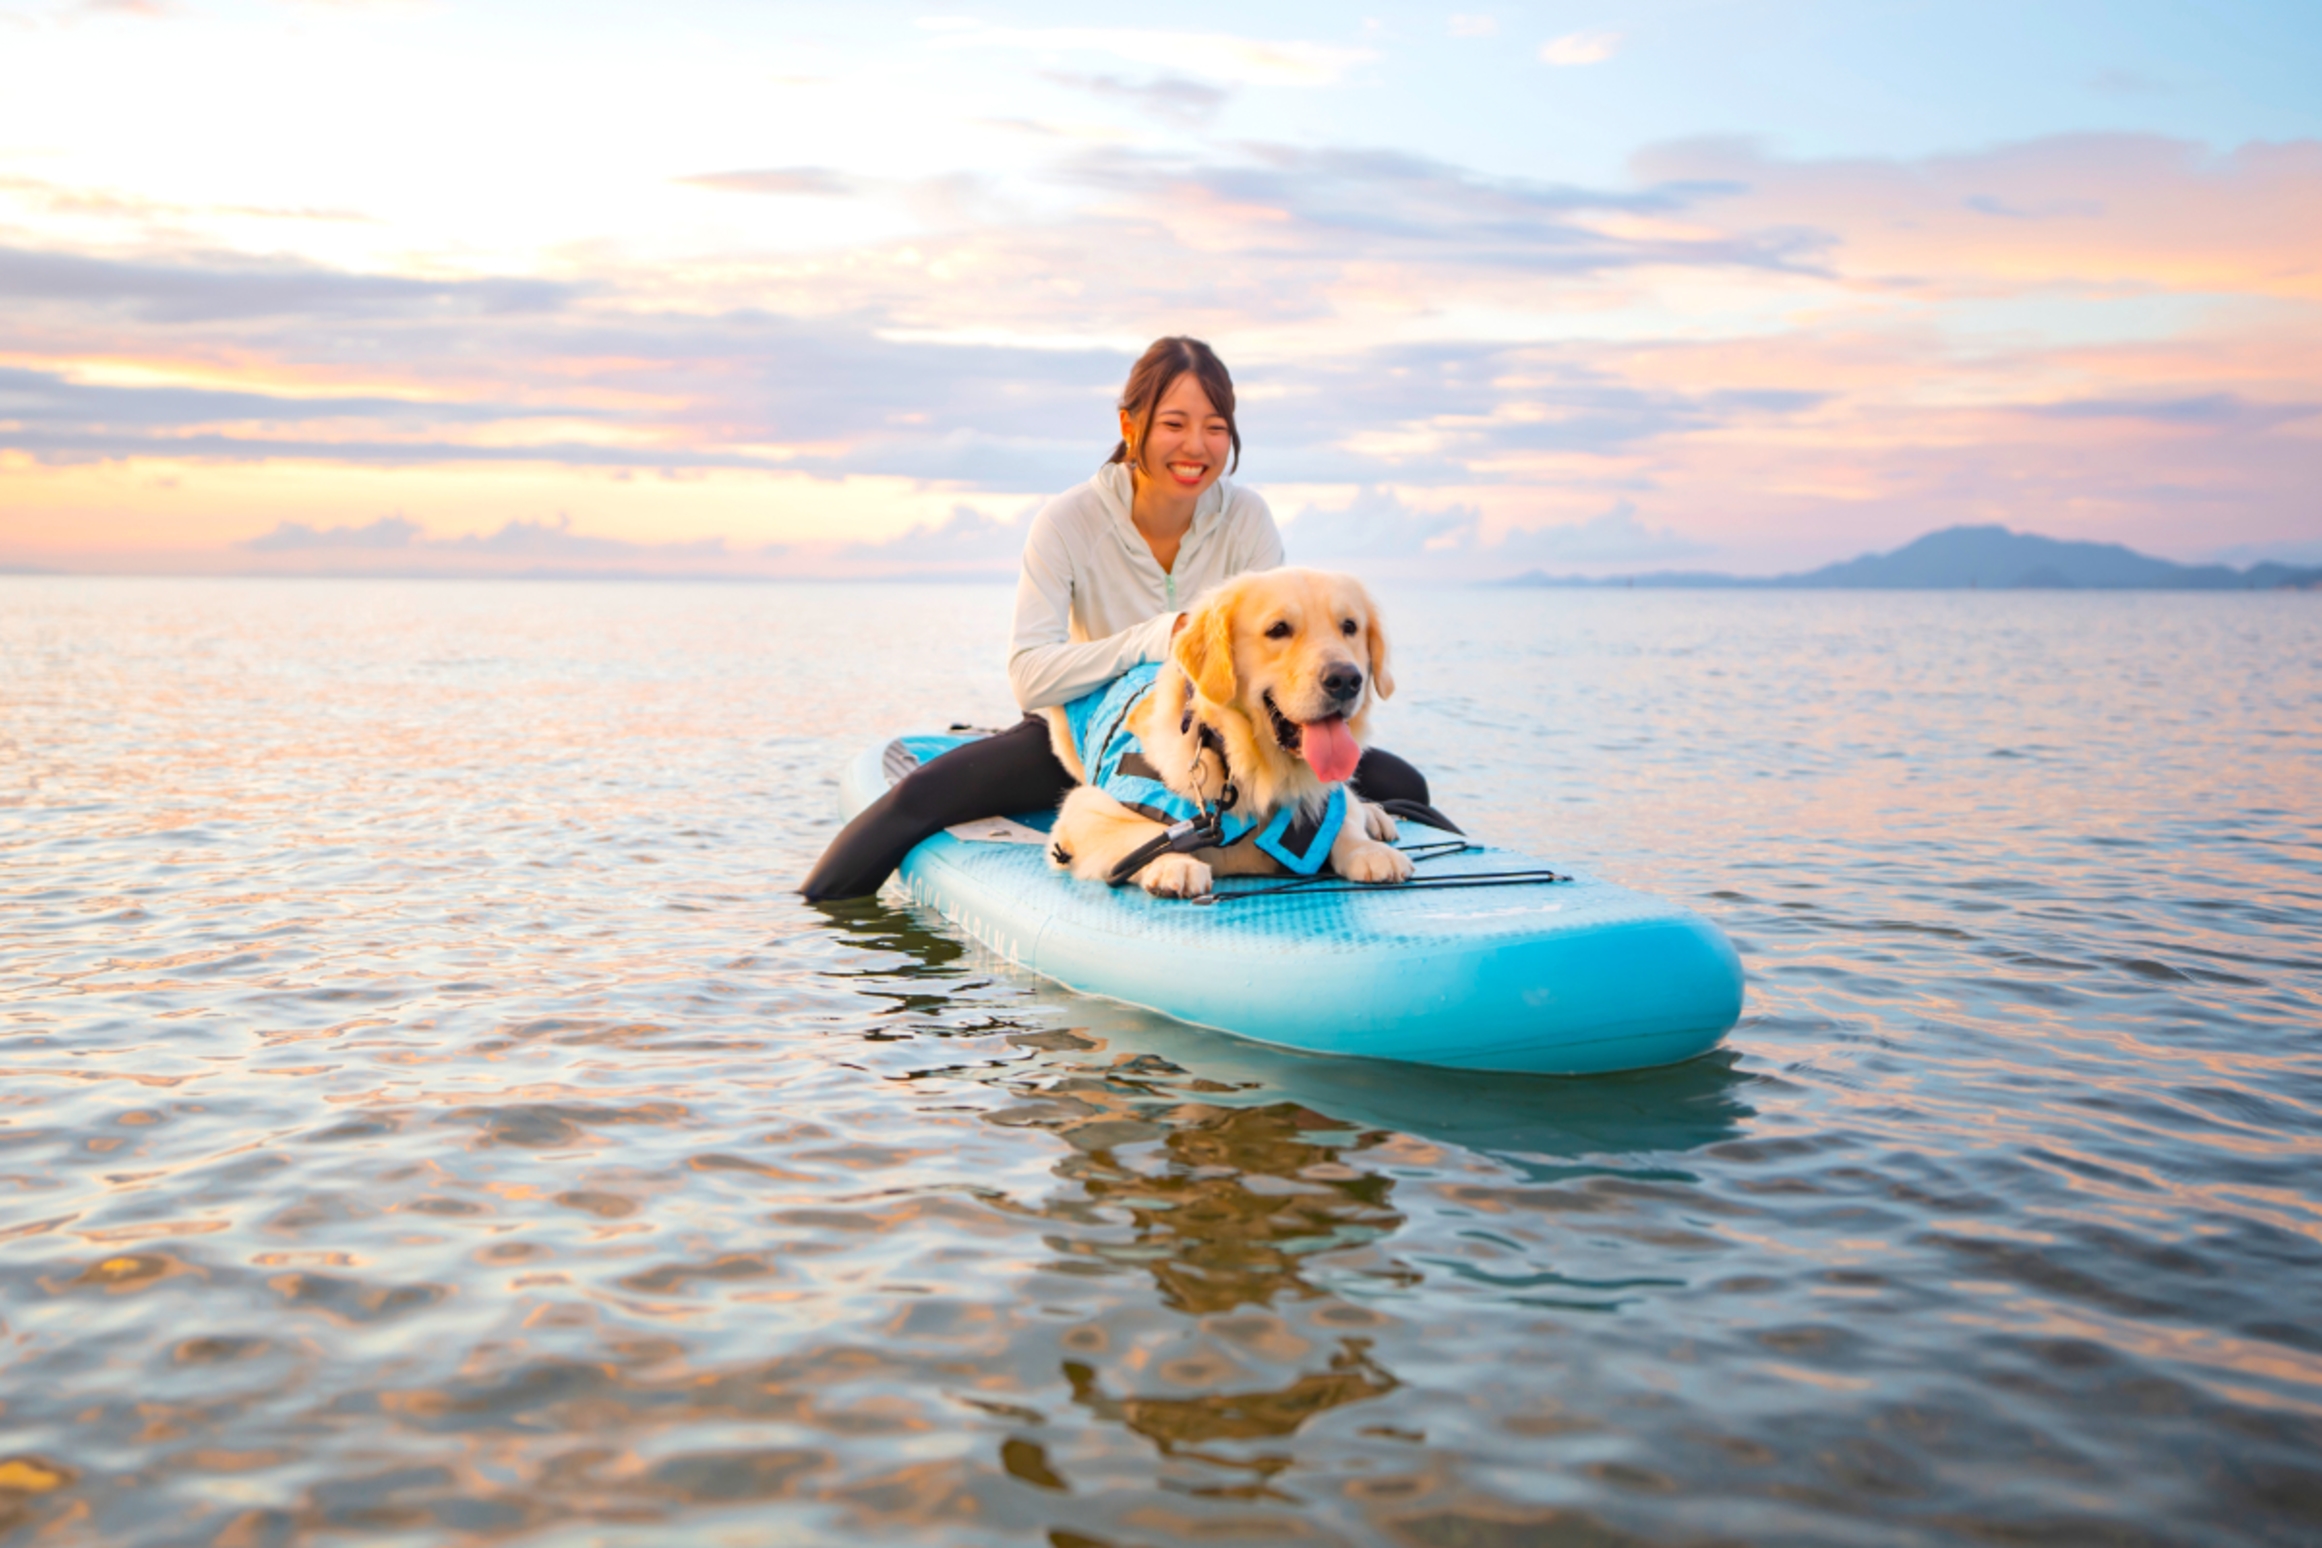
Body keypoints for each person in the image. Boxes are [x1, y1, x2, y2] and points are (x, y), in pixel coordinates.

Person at [799, 336, 1433, 901]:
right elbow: (1030, 675)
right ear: (1132, 427)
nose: (1195, 446)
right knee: (920, 798)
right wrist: (1151, 641)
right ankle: (815, 924)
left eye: (1215, 427)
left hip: (1212, 736)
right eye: (1174, 424)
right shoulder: (1069, 521)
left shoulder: (1246, 518)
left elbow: (1279, 664)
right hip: (1085, 728)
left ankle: (1368, 838)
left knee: (1403, 782)